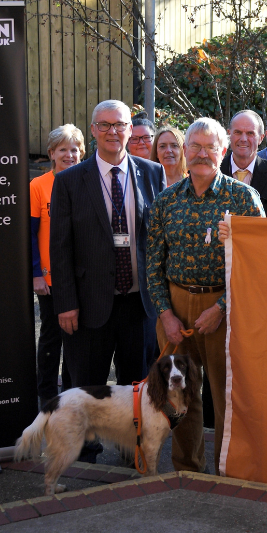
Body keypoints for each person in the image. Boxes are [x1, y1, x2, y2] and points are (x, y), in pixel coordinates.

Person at [146, 118, 265, 475]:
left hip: (225, 308)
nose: (201, 154)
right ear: (184, 152)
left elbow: (258, 264)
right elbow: (153, 263)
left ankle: (228, 471)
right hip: (176, 309)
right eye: (194, 146)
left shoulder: (243, 198)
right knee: (180, 396)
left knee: (227, 396)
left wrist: (222, 307)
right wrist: (165, 313)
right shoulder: (166, 201)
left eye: (209, 147)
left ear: (223, 151)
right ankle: (187, 470)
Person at [50, 100, 166, 459]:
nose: (113, 131)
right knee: (88, 385)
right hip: (88, 304)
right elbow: (61, 247)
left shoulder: (151, 173)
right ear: (94, 130)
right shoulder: (70, 180)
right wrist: (65, 303)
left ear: (131, 130)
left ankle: (134, 451)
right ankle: (85, 454)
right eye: (105, 125)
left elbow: (159, 240)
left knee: (137, 385)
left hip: (139, 302)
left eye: (120, 125)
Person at [30, 124, 83, 408]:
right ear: (51, 153)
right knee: (51, 338)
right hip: (49, 279)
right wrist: (36, 273)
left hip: (80, 277)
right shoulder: (38, 186)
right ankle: (47, 394)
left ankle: (71, 394)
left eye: (74, 149)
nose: (69, 155)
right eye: (63, 149)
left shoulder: (87, 181)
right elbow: (29, 233)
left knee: (75, 339)